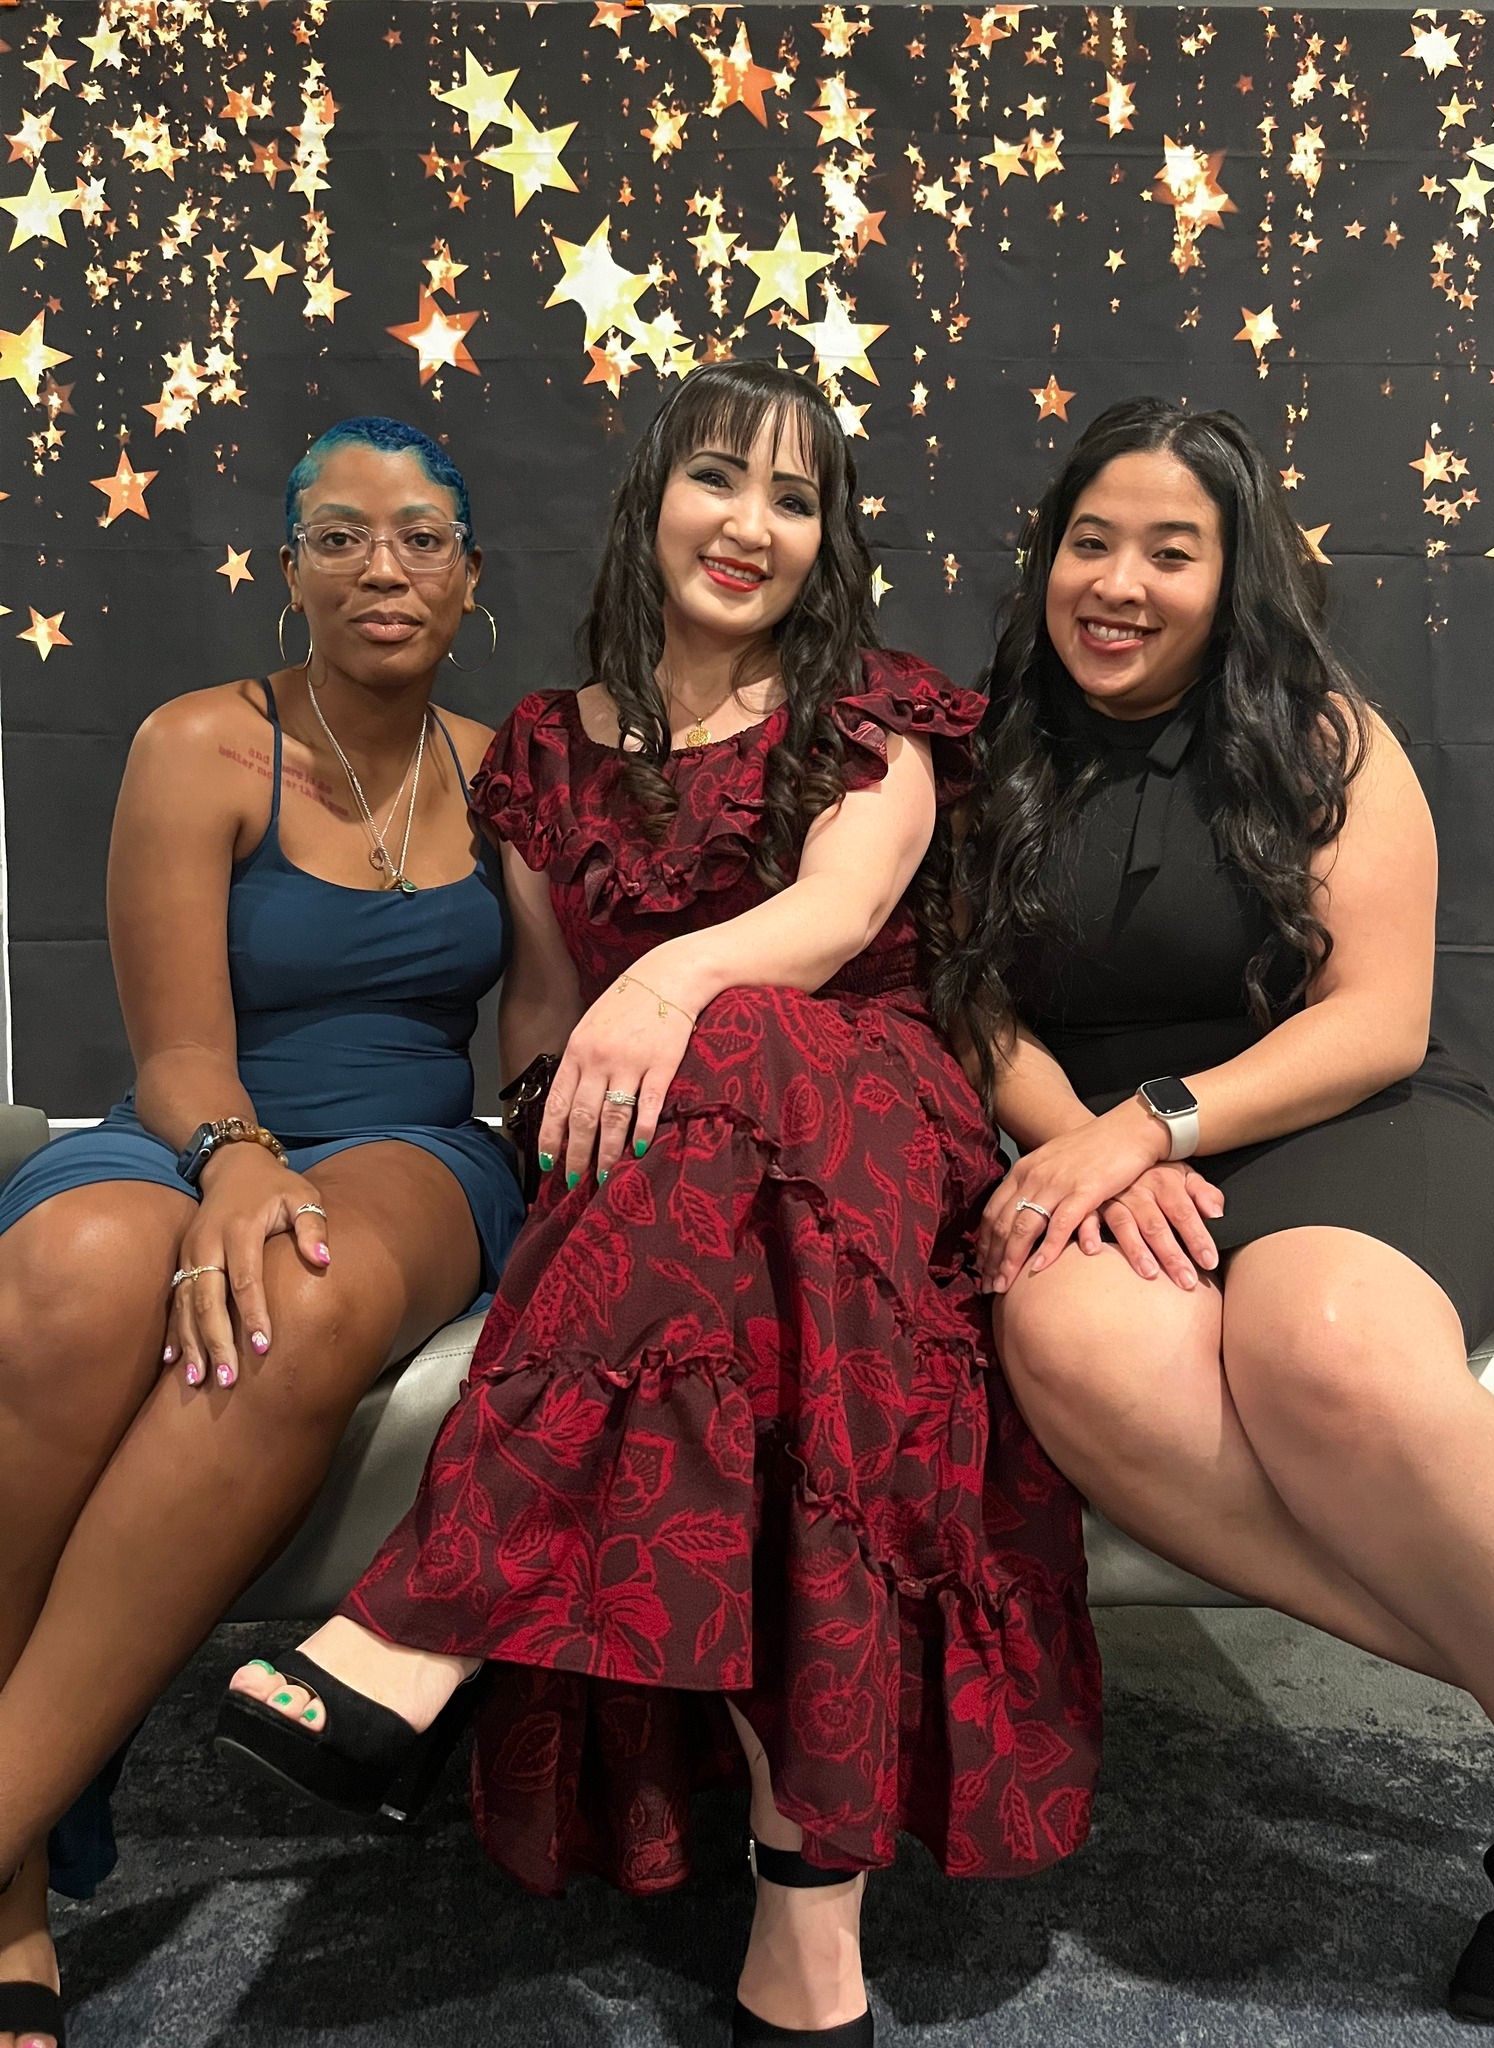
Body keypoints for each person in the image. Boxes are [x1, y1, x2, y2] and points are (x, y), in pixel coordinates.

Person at [219, 360, 1102, 2045]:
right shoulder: (549, 749)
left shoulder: (873, 716)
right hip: (662, 1195)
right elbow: (548, 1032)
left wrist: (672, 989)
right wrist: (587, 1107)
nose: (750, 526)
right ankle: (805, 1936)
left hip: (871, 1144)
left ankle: (426, 1628)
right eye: (719, 480)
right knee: (743, 1325)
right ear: (652, 503)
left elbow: (834, 924)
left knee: (760, 1033)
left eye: (795, 499)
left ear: (829, 541)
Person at [932, 396, 1494, 2023]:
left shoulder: (1321, 735)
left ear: (1234, 574)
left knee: (1325, 1346)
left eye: (1170, 550)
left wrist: (1155, 1129)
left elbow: (1377, 1020)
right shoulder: (988, 749)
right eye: (1091, 541)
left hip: (1351, 1120)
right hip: (1109, 1141)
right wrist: (1086, 1148)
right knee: (1062, 1332)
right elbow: (975, 1002)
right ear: (1047, 558)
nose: (1118, 582)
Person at [0, 415, 528, 2048]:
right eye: (342, 534)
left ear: (470, 577)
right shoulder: (196, 742)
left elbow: (554, 1046)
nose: (384, 565)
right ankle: (14, 1889)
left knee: (295, 1287)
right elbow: (173, 1053)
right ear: (289, 568)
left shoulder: (510, 770)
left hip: (414, 1149)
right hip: (194, 1117)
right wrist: (229, 1155)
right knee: (75, 1282)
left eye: (421, 535)